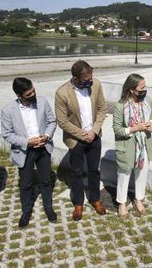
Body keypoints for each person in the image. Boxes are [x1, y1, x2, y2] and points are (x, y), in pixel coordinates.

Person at [1, 77, 58, 228]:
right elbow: (7, 134)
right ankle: (26, 211)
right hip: (24, 151)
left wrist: (46, 136)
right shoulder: (8, 110)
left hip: (43, 147)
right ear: (19, 95)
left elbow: (52, 121)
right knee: (26, 184)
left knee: (45, 181)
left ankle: (48, 207)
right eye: (29, 93)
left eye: (33, 90)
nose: (33, 94)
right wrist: (27, 142)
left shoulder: (42, 101)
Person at [55, 60, 107, 221]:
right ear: (76, 78)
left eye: (91, 77)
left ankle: (95, 199)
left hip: (95, 136)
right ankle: (78, 203)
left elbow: (102, 109)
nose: (90, 81)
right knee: (77, 172)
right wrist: (83, 135)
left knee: (94, 170)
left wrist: (94, 131)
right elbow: (62, 121)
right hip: (75, 140)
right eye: (86, 80)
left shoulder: (96, 84)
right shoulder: (62, 93)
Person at [112, 74, 152, 218]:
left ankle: (139, 200)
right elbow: (117, 130)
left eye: (145, 86)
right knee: (124, 175)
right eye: (142, 87)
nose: (145, 89)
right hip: (128, 146)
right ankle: (122, 203)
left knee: (142, 173)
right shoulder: (120, 106)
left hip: (144, 145)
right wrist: (134, 128)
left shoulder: (148, 100)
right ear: (132, 89)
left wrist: (151, 126)